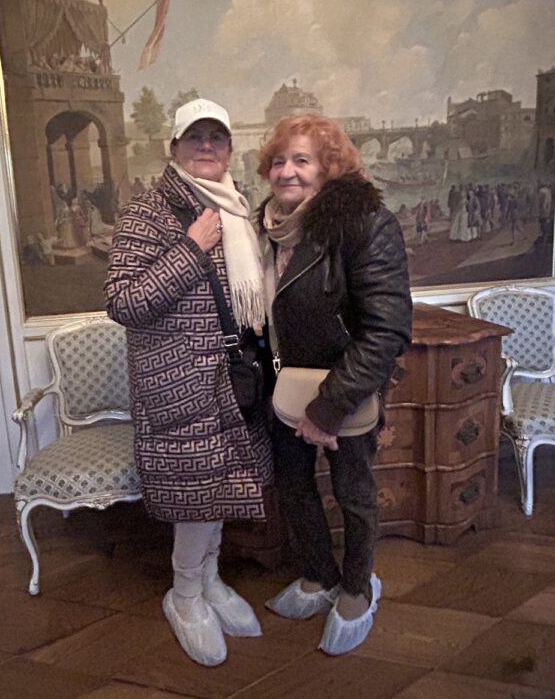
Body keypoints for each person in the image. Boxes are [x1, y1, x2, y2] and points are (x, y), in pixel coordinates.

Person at [104, 98, 272, 667]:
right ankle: (183, 594)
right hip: (178, 382)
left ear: (229, 148)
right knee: (195, 492)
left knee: (218, 486)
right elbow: (124, 301)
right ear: (173, 147)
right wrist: (191, 248)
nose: (206, 145)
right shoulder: (147, 212)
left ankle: (210, 580)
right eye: (194, 136)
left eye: (216, 137)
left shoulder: (238, 207)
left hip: (234, 377)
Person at [257, 114, 411, 655]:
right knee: (294, 486)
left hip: (344, 390)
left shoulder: (364, 222)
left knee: (353, 490)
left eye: (302, 160)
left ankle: (357, 587)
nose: (287, 171)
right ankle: (319, 575)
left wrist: (329, 407)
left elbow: (387, 328)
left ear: (329, 168)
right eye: (279, 161)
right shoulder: (263, 226)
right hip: (280, 386)